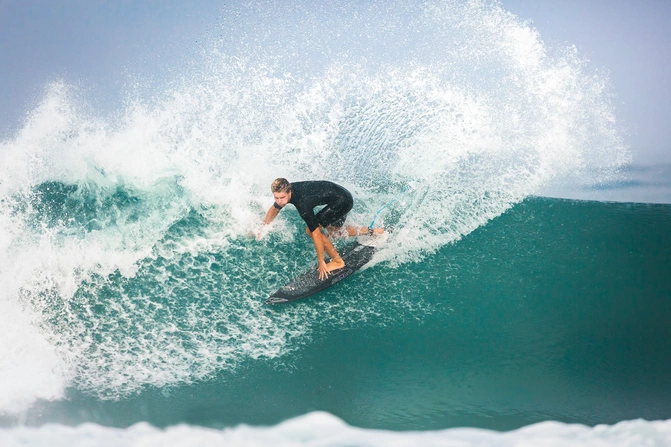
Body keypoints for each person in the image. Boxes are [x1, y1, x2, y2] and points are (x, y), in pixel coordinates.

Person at [261, 178, 383, 280]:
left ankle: (337, 261)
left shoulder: (302, 203)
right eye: (276, 197)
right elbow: (275, 208)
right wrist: (264, 225)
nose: (279, 201)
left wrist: (321, 261)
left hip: (342, 201)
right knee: (335, 233)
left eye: (281, 198)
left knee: (310, 230)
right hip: (342, 194)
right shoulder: (287, 190)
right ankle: (375, 232)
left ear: (289, 192)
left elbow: (316, 234)